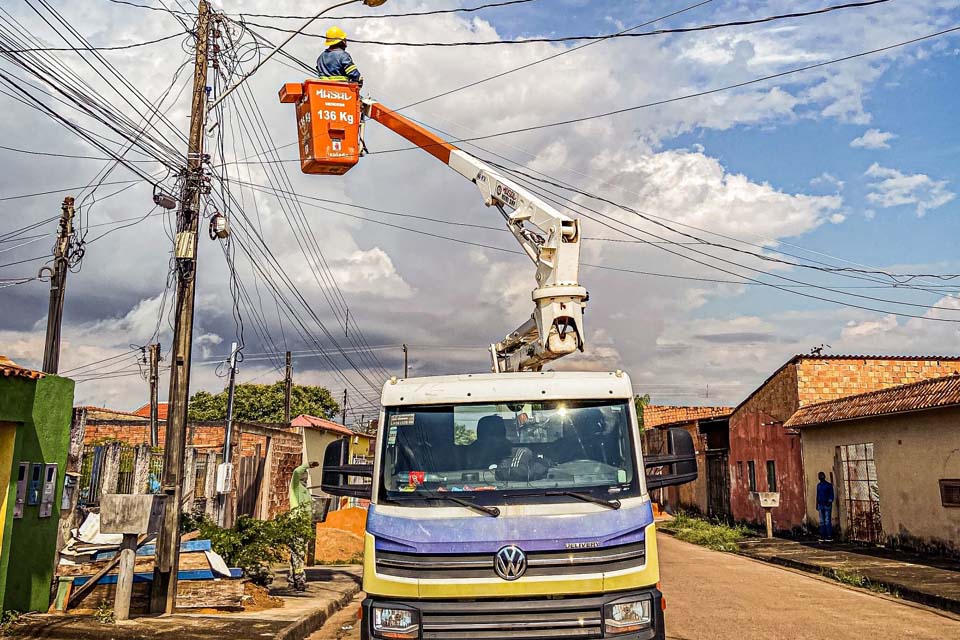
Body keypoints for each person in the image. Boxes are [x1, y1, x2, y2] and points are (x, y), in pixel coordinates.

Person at [288, 460, 320, 591]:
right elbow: (296, 472)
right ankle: (299, 579)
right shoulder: (295, 487)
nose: (305, 475)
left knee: (297, 552)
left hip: (305, 524)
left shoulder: (306, 490)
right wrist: (307, 465)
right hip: (297, 523)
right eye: (304, 473)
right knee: (298, 552)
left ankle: (292, 578)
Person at [816, 471, 834, 542]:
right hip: (820, 505)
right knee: (822, 521)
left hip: (827, 505)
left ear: (824, 476)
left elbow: (831, 495)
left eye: (822, 476)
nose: (821, 477)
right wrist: (816, 503)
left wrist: (829, 502)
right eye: (820, 476)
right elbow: (817, 495)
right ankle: (823, 535)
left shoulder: (828, 485)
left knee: (827, 521)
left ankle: (829, 536)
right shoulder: (818, 485)